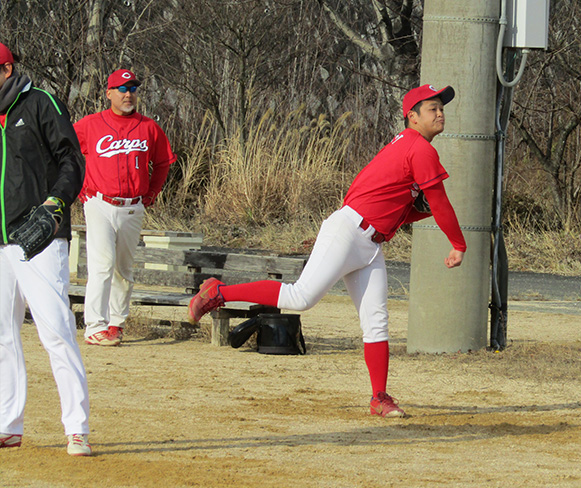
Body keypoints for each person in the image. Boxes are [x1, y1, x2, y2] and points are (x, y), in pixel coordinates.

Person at [188, 84, 466, 418]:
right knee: (300, 297)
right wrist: (458, 244)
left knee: (376, 322)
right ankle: (219, 291)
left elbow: (402, 208)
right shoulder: (418, 148)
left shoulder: (408, 147)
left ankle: (379, 397)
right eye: (432, 108)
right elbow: (438, 200)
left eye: (441, 107)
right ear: (413, 116)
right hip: (349, 231)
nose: (440, 113)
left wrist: (422, 210)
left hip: (370, 243)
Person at [0, 42, 92, 456]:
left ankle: (77, 427)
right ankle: (8, 423)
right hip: (0, 242)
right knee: (2, 335)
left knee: (55, 331)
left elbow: (72, 158)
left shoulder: (39, 103)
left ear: (5, 68)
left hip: (38, 239)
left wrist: (56, 204)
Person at [73, 69, 176, 346]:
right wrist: (78, 185)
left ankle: (116, 323)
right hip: (99, 203)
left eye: (132, 88)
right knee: (102, 264)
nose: (128, 93)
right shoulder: (91, 124)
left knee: (123, 268)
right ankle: (95, 325)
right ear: (108, 93)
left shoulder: (148, 127)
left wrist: (152, 191)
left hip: (132, 206)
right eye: (121, 88)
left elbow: (164, 161)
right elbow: (64, 149)